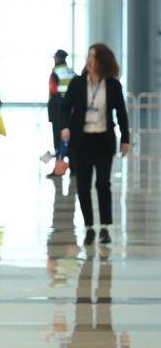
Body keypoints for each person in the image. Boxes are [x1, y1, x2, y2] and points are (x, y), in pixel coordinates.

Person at [61, 43, 130, 245]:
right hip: (81, 141)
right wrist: (65, 127)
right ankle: (90, 227)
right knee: (82, 185)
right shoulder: (77, 83)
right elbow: (64, 108)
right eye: (88, 56)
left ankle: (105, 228)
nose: (89, 61)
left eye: (94, 57)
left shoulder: (113, 85)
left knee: (103, 184)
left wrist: (125, 139)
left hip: (103, 140)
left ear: (103, 62)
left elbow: (122, 113)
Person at [48, 50, 76, 151]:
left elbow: (53, 90)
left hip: (57, 107)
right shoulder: (71, 72)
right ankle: (69, 153)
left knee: (57, 133)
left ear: (58, 59)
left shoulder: (54, 73)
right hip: (71, 108)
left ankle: (59, 157)